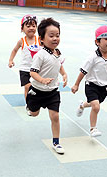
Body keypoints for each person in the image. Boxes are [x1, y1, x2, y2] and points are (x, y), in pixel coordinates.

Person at [71, 25, 107, 137]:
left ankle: (82, 105)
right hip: (91, 85)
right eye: (106, 39)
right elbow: (83, 71)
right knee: (96, 107)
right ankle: (93, 129)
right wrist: (76, 85)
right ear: (97, 42)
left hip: (105, 87)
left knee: (95, 104)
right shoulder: (92, 57)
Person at [26, 18, 67, 154]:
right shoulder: (40, 55)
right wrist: (42, 80)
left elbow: (58, 65)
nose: (55, 38)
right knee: (34, 113)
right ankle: (29, 106)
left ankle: (56, 142)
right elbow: (32, 72)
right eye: (51, 36)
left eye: (57, 35)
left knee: (55, 116)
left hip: (53, 91)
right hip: (37, 91)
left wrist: (64, 74)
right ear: (41, 39)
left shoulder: (58, 53)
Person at [8, 14, 41, 102]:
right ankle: (28, 104)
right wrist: (11, 60)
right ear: (22, 28)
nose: (31, 28)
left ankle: (35, 101)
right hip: (25, 69)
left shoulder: (40, 40)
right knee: (27, 86)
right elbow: (14, 50)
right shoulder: (21, 41)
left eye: (34, 26)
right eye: (28, 26)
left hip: (37, 69)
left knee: (36, 87)